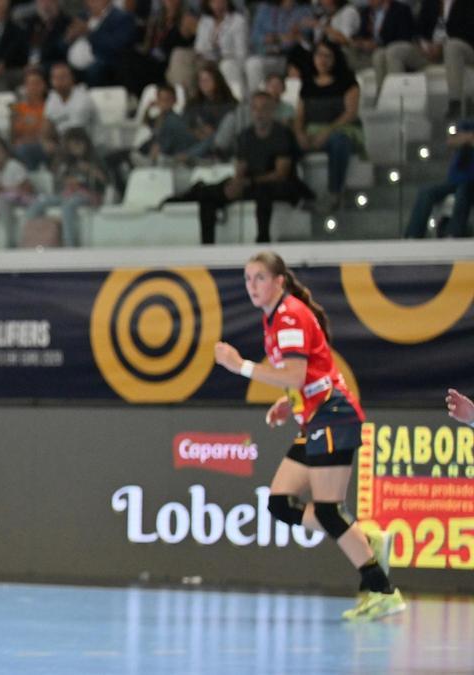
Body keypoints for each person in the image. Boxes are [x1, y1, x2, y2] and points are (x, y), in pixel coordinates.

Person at [214, 251, 405, 622]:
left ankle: (383, 590)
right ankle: (363, 537)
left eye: (260, 278)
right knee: (280, 504)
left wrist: (241, 367)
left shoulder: (288, 316)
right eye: (247, 279)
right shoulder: (274, 318)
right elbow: (303, 376)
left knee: (330, 510)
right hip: (316, 415)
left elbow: (296, 375)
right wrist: (289, 403)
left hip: (333, 416)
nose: (252, 286)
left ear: (279, 282)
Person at [178, 92, 311, 243]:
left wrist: (251, 181)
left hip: (280, 186)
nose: (259, 113)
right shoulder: (245, 136)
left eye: (264, 108)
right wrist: (235, 183)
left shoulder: (282, 134)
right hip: (250, 183)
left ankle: (263, 240)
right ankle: (207, 245)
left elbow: (281, 173)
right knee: (208, 193)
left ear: (272, 110)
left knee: (263, 192)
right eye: (255, 109)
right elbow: (241, 166)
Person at [295, 40, 360, 214]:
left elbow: (350, 114)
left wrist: (326, 132)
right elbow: (300, 116)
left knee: (339, 141)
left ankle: (334, 192)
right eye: (319, 55)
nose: (322, 60)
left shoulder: (348, 82)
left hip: (340, 129)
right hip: (311, 131)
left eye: (327, 56)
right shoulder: (307, 84)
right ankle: (299, 193)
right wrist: (300, 134)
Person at [403, 120, 474, 238]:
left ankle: (454, 234)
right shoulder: (468, 124)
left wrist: (466, 138)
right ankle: (413, 235)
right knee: (426, 192)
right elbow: (452, 140)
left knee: (463, 191)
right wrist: (468, 138)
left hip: (470, 183)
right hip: (455, 181)